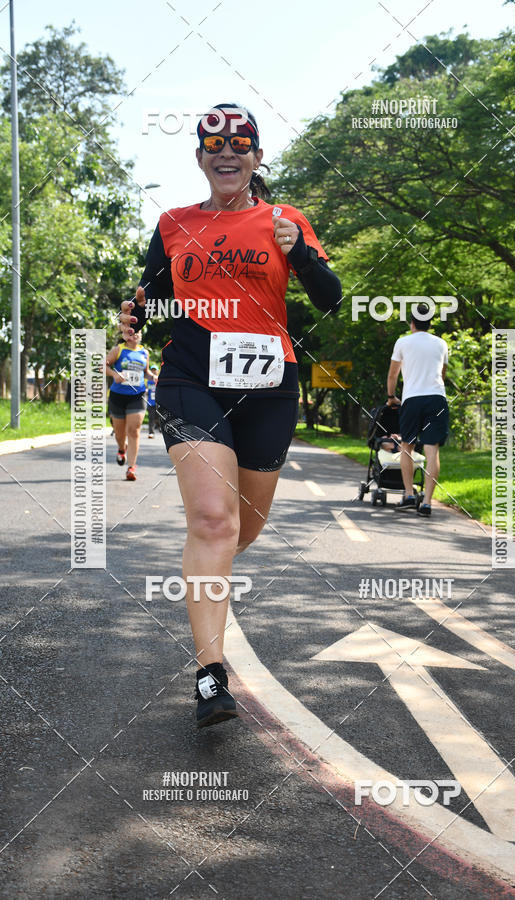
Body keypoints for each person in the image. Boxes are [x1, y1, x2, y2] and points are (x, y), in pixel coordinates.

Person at [118, 103, 342, 728]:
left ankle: (208, 575)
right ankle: (210, 676)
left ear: (256, 157)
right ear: (199, 158)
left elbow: (330, 298)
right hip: (190, 377)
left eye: (240, 145)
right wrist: (134, 315)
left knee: (243, 529)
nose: (227, 153)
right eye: (214, 146)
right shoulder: (173, 223)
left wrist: (300, 256)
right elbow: (154, 294)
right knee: (214, 521)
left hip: (268, 383)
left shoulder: (284, 220)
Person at [385, 302, 449, 517]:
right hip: (437, 399)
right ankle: (427, 503)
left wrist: (391, 397)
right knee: (432, 449)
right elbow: (442, 374)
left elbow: (393, 375)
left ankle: (409, 495)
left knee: (407, 446)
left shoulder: (403, 342)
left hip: (412, 399)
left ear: (412, 323)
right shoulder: (441, 344)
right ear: (429, 323)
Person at [105, 331, 152, 481]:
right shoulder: (118, 350)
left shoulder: (144, 353)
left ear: (141, 335)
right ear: (126, 334)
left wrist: (153, 377)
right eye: (132, 332)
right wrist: (114, 374)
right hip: (118, 396)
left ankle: (131, 467)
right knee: (119, 434)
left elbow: (146, 372)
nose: (135, 334)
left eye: (138, 331)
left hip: (137, 395)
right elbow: (103, 366)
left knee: (134, 430)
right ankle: (121, 448)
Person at [146, 364, 159, 437]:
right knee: (151, 418)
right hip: (150, 402)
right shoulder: (148, 381)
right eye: (152, 370)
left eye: (155, 370)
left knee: (159, 418)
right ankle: (151, 432)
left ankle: (160, 428)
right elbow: (147, 390)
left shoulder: (160, 380)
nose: (153, 371)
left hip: (159, 402)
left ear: (157, 371)